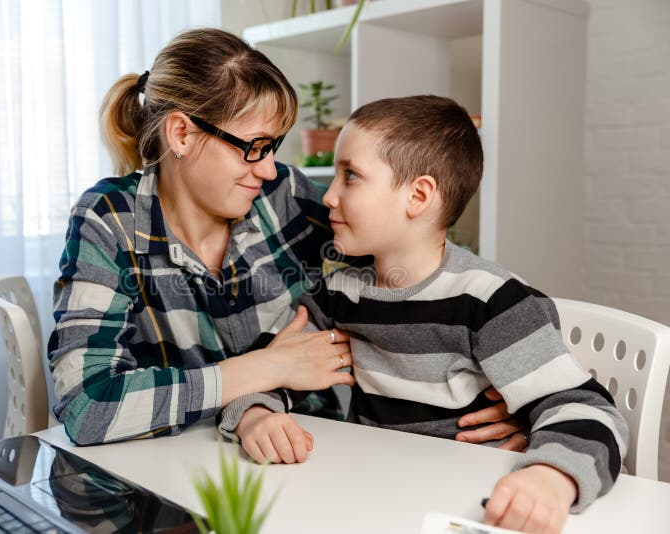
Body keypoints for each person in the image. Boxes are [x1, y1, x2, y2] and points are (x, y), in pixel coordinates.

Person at [48, 28, 522, 452]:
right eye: (255, 146)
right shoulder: (110, 220)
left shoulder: (284, 196)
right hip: (177, 466)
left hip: (316, 451)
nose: (270, 167)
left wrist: (498, 385)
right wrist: (262, 369)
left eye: (274, 147)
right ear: (182, 134)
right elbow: (87, 407)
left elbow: (410, 251)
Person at [227, 96, 628, 533]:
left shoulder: (490, 300)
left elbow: (586, 408)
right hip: (375, 496)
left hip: (472, 501)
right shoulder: (341, 290)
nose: (329, 196)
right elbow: (270, 362)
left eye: (351, 176)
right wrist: (256, 415)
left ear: (418, 195)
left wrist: (551, 478)